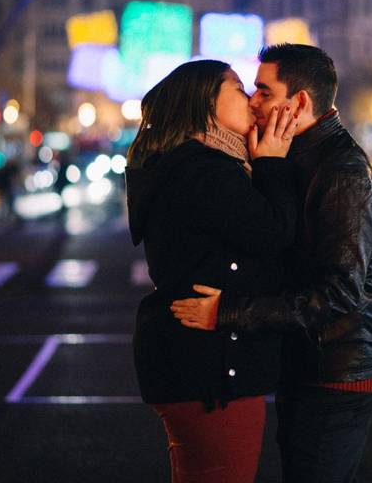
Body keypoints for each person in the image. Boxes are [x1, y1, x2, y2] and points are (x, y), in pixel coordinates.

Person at [171, 44, 372, 483]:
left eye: (263, 91)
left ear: (300, 103)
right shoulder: (295, 153)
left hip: (338, 370)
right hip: (308, 360)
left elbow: (340, 292)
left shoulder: (341, 173)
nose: (253, 102)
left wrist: (231, 311)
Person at [125, 59, 299, 483]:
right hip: (211, 368)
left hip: (194, 362)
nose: (251, 99)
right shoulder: (204, 170)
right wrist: (273, 163)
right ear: (206, 102)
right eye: (238, 88)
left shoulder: (195, 164)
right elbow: (274, 234)